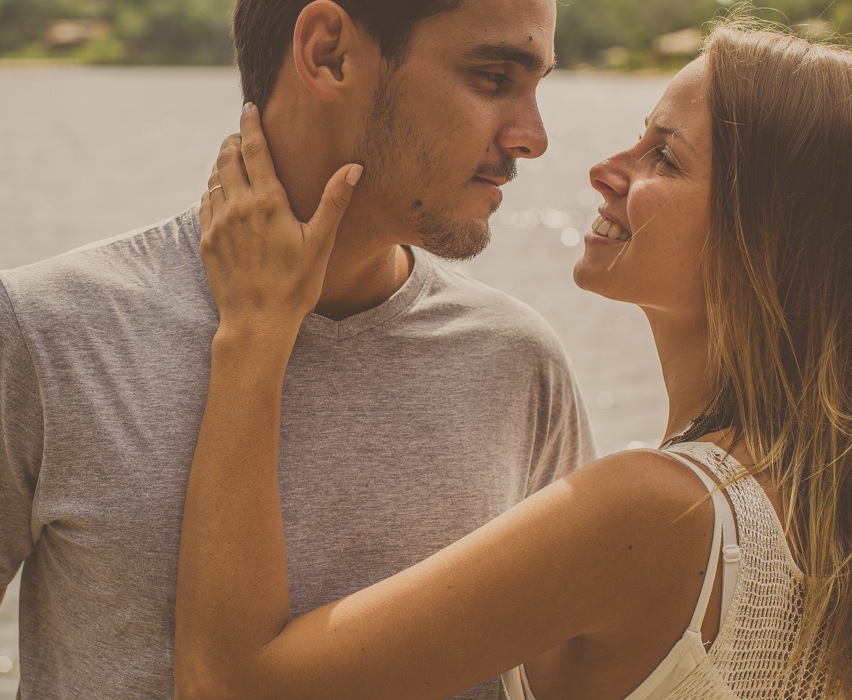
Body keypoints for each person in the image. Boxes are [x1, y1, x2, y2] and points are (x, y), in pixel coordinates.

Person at [0, 0, 594, 698]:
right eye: (494, 80)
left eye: (536, 88)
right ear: (328, 54)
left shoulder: (520, 362)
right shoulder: (43, 331)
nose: (532, 136)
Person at [174, 19, 852, 700]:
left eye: (664, 158)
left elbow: (231, 686)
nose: (605, 168)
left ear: (766, 234)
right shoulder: (807, 509)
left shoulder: (652, 512)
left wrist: (254, 332)